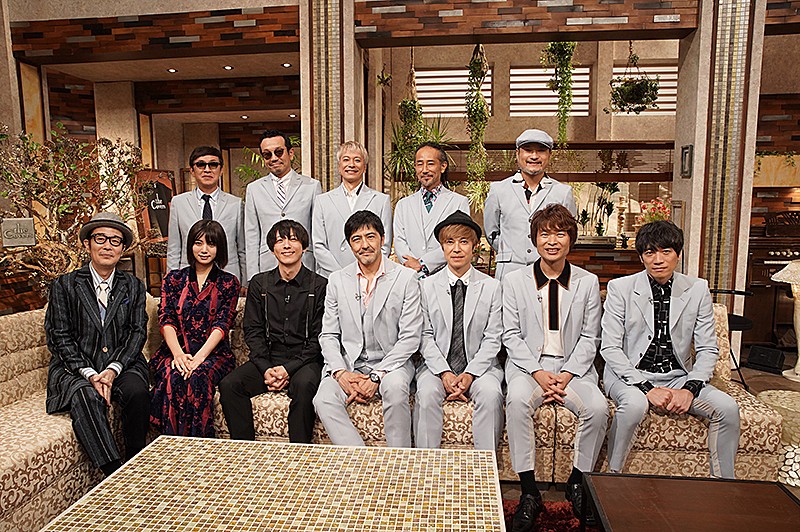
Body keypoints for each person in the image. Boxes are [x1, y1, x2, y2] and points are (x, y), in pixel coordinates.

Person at [600, 220, 740, 478]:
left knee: (727, 408)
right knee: (634, 406)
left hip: (678, 377)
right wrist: (647, 388)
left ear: (678, 254)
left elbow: (708, 348)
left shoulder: (697, 289)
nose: (658, 260)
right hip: (630, 376)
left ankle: (723, 485)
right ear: (641, 257)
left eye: (666, 251)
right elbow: (610, 348)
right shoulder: (620, 288)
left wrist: (690, 388)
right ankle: (612, 477)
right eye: (650, 252)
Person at [504, 204, 608, 530]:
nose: (552, 241)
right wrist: (537, 372)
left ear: (570, 239)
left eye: (560, 234)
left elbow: (590, 337)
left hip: (572, 369)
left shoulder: (587, 282)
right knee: (516, 401)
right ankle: (529, 491)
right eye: (544, 234)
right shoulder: (515, 280)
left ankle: (577, 482)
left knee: (598, 408)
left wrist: (566, 374)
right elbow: (510, 335)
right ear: (534, 239)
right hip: (529, 368)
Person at [45, 212, 150, 476]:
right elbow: (59, 336)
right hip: (75, 367)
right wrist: (90, 373)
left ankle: (136, 462)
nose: (107, 246)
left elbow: (137, 332)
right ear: (87, 244)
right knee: (86, 396)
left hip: (122, 363)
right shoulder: (65, 285)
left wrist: (113, 369)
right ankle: (114, 473)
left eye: (115, 241)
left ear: (122, 249)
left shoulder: (133, 285)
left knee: (137, 391)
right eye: (100, 239)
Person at [313, 210, 422, 447]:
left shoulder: (406, 278)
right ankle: (360, 459)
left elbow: (410, 338)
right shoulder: (337, 280)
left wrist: (376, 375)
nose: (364, 245)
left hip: (391, 364)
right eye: (356, 239)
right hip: (350, 365)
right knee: (323, 399)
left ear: (382, 239)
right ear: (350, 245)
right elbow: (329, 335)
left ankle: (399, 460)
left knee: (395, 389)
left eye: (370, 237)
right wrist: (340, 372)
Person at [219, 220, 327, 443]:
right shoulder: (259, 284)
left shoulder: (319, 285)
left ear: (304, 247)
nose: (286, 245)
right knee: (230, 385)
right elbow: (253, 331)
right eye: (280, 241)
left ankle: (299, 454)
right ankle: (245, 450)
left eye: (293, 239)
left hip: (305, 361)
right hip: (268, 359)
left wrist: (288, 370)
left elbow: (320, 338)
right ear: (272, 249)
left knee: (305, 386)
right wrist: (266, 368)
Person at [413, 210, 504, 451]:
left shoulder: (491, 287)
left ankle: (484, 466)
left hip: (481, 368)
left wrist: (470, 374)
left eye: (464, 242)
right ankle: (426, 464)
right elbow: (424, 336)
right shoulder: (426, 287)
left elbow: (493, 338)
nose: (456, 249)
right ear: (442, 247)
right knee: (426, 394)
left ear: (475, 247)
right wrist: (444, 372)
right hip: (436, 368)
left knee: (490, 393)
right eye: (450, 242)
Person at [150, 220, 240, 438]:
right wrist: (178, 355)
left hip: (213, 355)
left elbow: (222, 324)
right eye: (198, 243)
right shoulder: (173, 279)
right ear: (190, 245)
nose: (204, 249)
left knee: (198, 376)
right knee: (175, 375)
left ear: (219, 248)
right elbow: (166, 319)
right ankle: (171, 446)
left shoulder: (229, 282)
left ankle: (200, 447)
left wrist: (198, 358)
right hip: (174, 352)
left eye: (211, 244)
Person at [484, 129, 577, 280]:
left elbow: (570, 233)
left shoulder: (563, 192)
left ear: (549, 155)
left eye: (541, 151)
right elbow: (491, 232)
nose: (534, 156)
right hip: (509, 269)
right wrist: (510, 251)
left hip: (549, 270)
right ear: (517, 153)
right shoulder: (498, 190)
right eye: (528, 150)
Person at [245, 130, 321, 280]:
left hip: (304, 265)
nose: (274, 158)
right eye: (267, 155)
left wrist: (318, 271)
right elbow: (251, 235)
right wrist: (252, 277)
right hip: (267, 266)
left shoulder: (311, 186)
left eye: (279, 152)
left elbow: (317, 232)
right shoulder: (254, 189)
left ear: (291, 153)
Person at [312, 141, 392, 278]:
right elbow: (318, 245)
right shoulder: (322, 201)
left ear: (364, 167)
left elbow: (385, 245)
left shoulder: (380, 200)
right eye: (346, 160)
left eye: (357, 160)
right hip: (331, 276)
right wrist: (341, 275)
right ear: (339, 166)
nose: (351, 165)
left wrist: (367, 272)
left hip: (370, 276)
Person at [167, 146, 247, 282]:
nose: (207, 170)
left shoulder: (236, 204)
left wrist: (245, 281)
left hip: (227, 277)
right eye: (201, 165)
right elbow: (174, 248)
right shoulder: (178, 203)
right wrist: (172, 280)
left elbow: (242, 248)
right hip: (189, 277)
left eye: (213, 165)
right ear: (192, 171)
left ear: (221, 170)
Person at [393, 142, 470, 277]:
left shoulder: (458, 202)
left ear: (443, 166)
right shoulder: (403, 205)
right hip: (411, 276)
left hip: (445, 276)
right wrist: (412, 265)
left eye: (430, 164)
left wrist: (423, 264)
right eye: (419, 164)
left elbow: (457, 241)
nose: (424, 170)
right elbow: (399, 241)